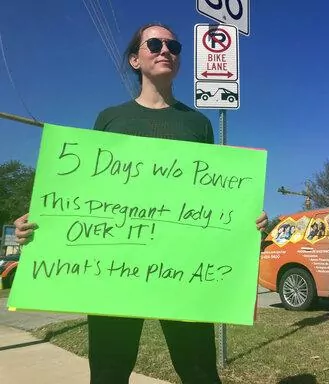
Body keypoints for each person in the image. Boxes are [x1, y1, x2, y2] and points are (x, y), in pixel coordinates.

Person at [13, 23, 268, 384]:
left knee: (199, 370)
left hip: (182, 268)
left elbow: (211, 195)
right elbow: (85, 194)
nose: (166, 50)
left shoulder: (197, 124)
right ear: (135, 58)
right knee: (108, 371)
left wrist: (246, 218)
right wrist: (40, 222)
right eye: (154, 43)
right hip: (115, 267)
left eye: (173, 45)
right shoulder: (110, 119)